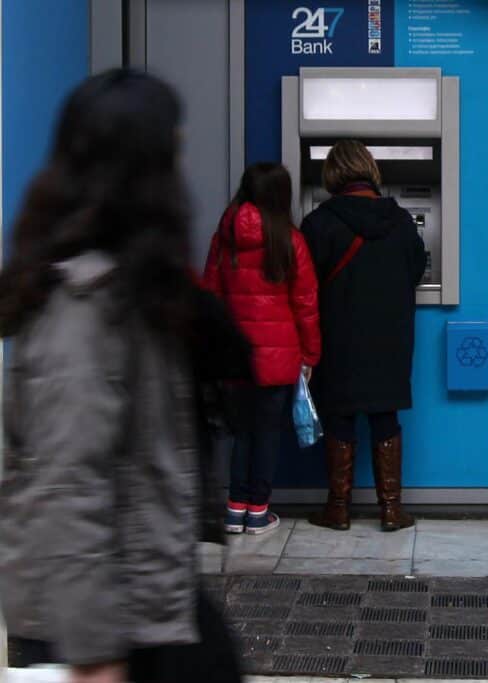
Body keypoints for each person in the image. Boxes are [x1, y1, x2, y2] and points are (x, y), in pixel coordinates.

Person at [0, 69, 244, 683]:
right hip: (111, 622)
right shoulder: (83, 308)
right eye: (173, 149)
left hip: (145, 599)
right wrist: (93, 655)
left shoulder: (133, 289)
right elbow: (67, 481)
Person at [301, 140, 426, 533]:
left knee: (339, 415)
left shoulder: (318, 223)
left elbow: (305, 284)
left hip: (338, 334)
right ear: (370, 170)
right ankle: (391, 510)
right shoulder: (401, 221)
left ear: (333, 174)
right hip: (389, 335)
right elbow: (416, 269)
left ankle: (338, 509)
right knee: (384, 415)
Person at [202, 163, 321, 535]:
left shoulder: (224, 239)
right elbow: (305, 304)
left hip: (236, 355)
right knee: (267, 433)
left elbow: (210, 296)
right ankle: (258, 512)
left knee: (242, 433)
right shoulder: (290, 240)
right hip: (277, 357)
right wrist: (310, 355)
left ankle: (234, 509)